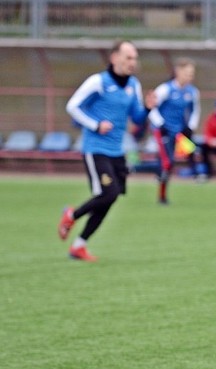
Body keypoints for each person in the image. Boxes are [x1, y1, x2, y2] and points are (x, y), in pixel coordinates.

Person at [59, 40, 156, 262]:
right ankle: (71, 216)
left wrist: (148, 109)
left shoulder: (133, 85)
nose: (133, 62)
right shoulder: (98, 82)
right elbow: (72, 106)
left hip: (117, 151)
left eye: (135, 58)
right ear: (114, 58)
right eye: (128, 57)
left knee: (110, 198)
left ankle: (79, 246)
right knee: (108, 194)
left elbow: (137, 118)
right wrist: (95, 125)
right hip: (96, 149)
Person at [148, 57, 200, 203]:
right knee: (167, 162)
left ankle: (195, 175)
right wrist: (160, 124)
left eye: (192, 73)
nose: (190, 76)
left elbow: (195, 110)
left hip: (178, 131)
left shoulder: (192, 92)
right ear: (178, 72)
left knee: (190, 150)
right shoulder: (165, 89)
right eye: (187, 73)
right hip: (162, 131)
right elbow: (151, 108)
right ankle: (162, 195)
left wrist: (191, 126)